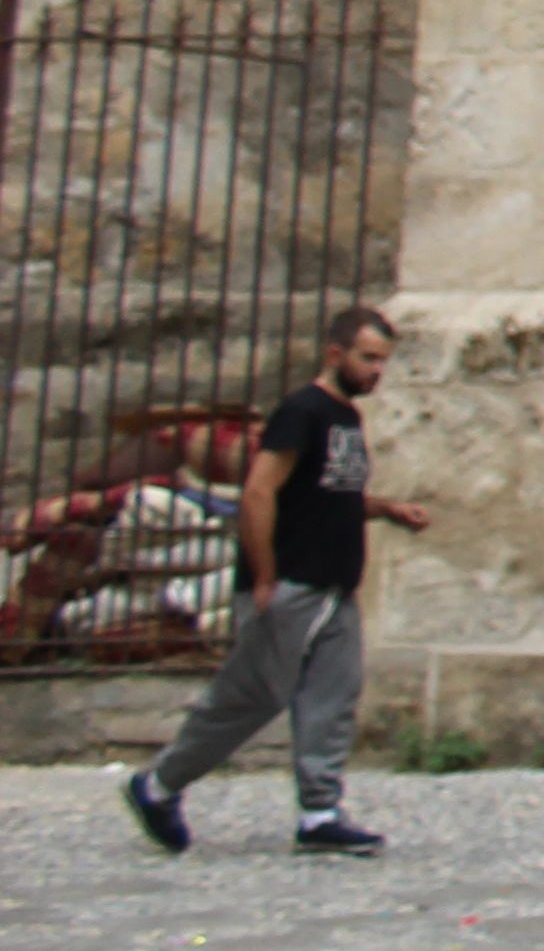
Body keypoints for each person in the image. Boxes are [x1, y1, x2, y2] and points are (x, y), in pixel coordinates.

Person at [124, 305, 432, 858]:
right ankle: (159, 784)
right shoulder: (302, 412)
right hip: (293, 580)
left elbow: (325, 497)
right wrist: (265, 578)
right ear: (335, 354)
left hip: (336, 584)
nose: (376, 372)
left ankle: (320, 813)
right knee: (250, 697)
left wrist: (385, 509)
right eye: (367, 359)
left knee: (332, 696)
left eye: (382, 361)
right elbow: (260, 493)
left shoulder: (346, 420)